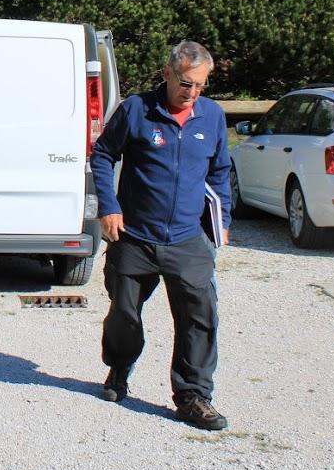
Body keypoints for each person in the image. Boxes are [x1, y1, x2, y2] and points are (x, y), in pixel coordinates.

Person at [89, 40, 233, 430]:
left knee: (199, 319)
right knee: (124, 315)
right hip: (135, 236)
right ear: (168, 73)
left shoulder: (211, 117)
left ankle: (193, 396)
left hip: (187, 239)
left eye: (200, 85)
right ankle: (119, 368)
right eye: (186, 83)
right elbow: (102, 155)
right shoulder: (137, 110)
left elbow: (220, 172)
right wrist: (109, 206)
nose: (192, 92)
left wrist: (222, 218)